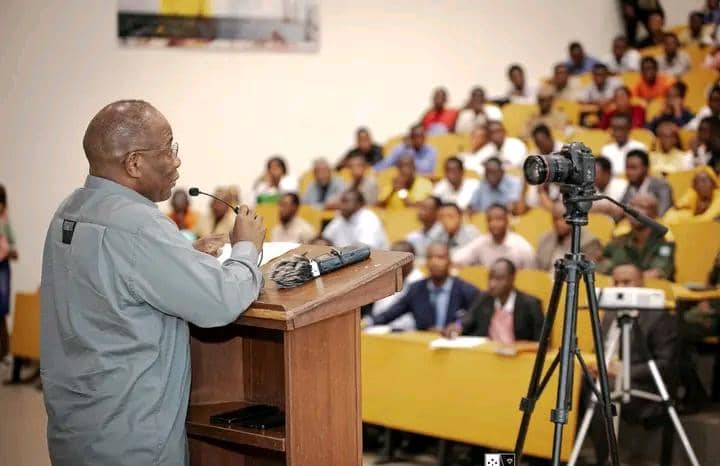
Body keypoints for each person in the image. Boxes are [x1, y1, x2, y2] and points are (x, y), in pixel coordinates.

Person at [40, 100, 266, 466]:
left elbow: (111, 281)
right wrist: (246, 248)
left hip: (78, 427)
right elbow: (222, 302)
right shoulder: (139, 225)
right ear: (134, 164)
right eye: (168, 148)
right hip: (132, 438)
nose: (176, 161)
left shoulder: (71, 210)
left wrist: (183, 258)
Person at [587, 263, 678, 466]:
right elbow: (599, 349)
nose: (621, 288)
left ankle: (607, 459)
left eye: (627, 282)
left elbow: (666, 363)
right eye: (616, 283)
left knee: (603, 394)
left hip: (643, 385)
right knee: (572, 383)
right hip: (607, 376)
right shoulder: (610, 313)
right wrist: (596, 366)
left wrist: (624, 371)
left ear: (641, 283)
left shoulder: (659, 317)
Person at [368, 242, 479, 331]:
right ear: (426, 262)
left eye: (440, 258)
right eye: (430, 257)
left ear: (450, 262)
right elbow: (389, 314)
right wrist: (366, 323)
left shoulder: (466, 290)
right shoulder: (416, 289)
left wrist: (458, 325)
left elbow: (473, 316)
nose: (435, 262)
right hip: (423, 346)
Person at [444, 258, 544, 342]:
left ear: (512, 279)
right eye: (490, 278)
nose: (492, 284)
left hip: (519, 357)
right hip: (489, 355)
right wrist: (457, 325)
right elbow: (467, 319)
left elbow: (541, 343)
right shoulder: (484, 298)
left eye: (498, 279)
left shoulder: (530, 304)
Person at [598, 193, 675, 280]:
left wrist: (626, 278)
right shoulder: (619, 242)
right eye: (631, 206)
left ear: (654, 214)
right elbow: (601, 267)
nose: (634, 210)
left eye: (642, 207)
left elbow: (659, 273)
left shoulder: (664, 243)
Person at [452, 204, 536, 269]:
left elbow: (531, 274)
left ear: (507, 221)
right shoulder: (481, 242)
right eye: (490, 220)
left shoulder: (522, 247)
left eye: (499, 219)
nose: (494, 223)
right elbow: (457, 259)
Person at [369, 241, 425, 331]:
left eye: (397, 259)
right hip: (380, 328)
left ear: (410, 260)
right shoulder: (387, 278)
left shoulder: (419, 282)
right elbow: (378, 310)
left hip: (407, 331)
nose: (393, 263)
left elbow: (414, 317)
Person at [536, 203, 603, 272]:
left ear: (573, 218)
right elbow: (538, 268)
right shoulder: (545, 239)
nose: (558, 223)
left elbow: (590, 272)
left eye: (563, 219)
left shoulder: (589, 242)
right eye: (555, 219)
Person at [323, 189, 389, 250]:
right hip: (345, 256)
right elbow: (325, 239)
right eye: (341, 201)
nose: (341, 205)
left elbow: (363, 250)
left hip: (376, 258)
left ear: (359, 204)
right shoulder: (341, 217)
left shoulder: (369, 219)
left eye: (345, 201)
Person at [621, 149, 674, 215]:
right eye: (627, 167)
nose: (629, 172)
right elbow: (621, 211)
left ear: (646, 168)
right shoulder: (630, 187)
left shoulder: (662, 185)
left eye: (633, 168)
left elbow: (663, 212)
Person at [0, 185, 18, 364]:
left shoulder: (4, 219)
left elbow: (12, 241)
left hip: (2, 264)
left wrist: (10, 251)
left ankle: (4, 352)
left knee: (2, 308)